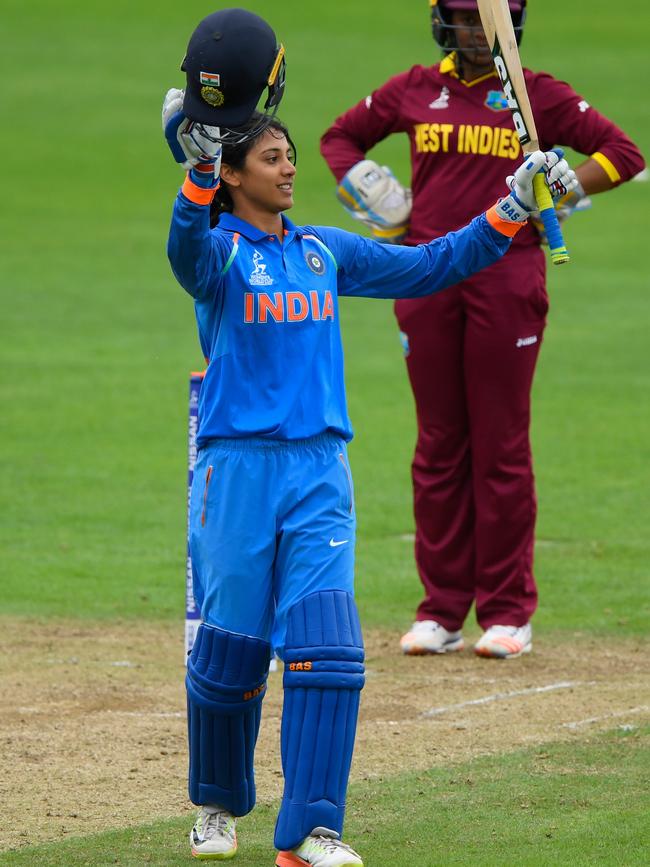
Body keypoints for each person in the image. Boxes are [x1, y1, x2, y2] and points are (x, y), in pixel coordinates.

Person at [163, 73, 575, 860]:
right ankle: (216, 808)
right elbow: (183, 245)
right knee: (230, 655)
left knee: (329, 649)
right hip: (236, 472)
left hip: (319, 471)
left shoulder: (322, 251)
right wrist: (199, 170)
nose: (291, 168)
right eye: (275, 158)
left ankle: (312, 831)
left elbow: (430, 266)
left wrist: (514, 205)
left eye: (290, 156)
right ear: (237, 174)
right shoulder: (215, 257)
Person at [320, 0, 645, 660]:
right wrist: (375, 194)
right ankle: (441, 610)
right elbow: (338, 138)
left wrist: (564, 189)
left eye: (482, 18)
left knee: (499, 444)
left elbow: (624, 153)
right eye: (461, 18)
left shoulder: (536, 96)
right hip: (427, 278)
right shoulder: (413, 89)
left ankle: (506, 611)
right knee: (439, 442)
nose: (472, 30)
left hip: (508, 278)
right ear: (441, 20)